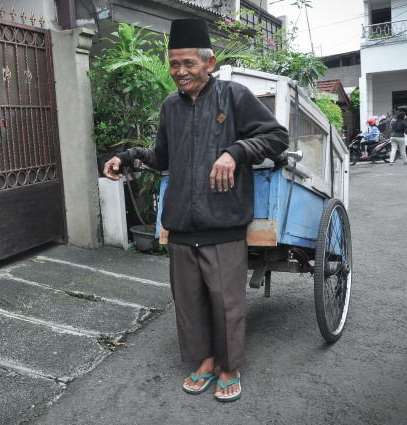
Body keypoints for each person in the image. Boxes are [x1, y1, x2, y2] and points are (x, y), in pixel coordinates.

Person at [103, 18, 289, 402]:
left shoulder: (234, 97)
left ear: (210, 62)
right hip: (181, 224)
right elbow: (162, 156)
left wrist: (234, 152)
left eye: (188, 63)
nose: (179, 72)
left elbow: (275, 137)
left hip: (223, 221)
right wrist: (127, 157)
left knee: (226, 301)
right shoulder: (171, 105)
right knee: (188, 302)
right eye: (174, 64)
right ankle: (204, 360)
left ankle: (229, 365)